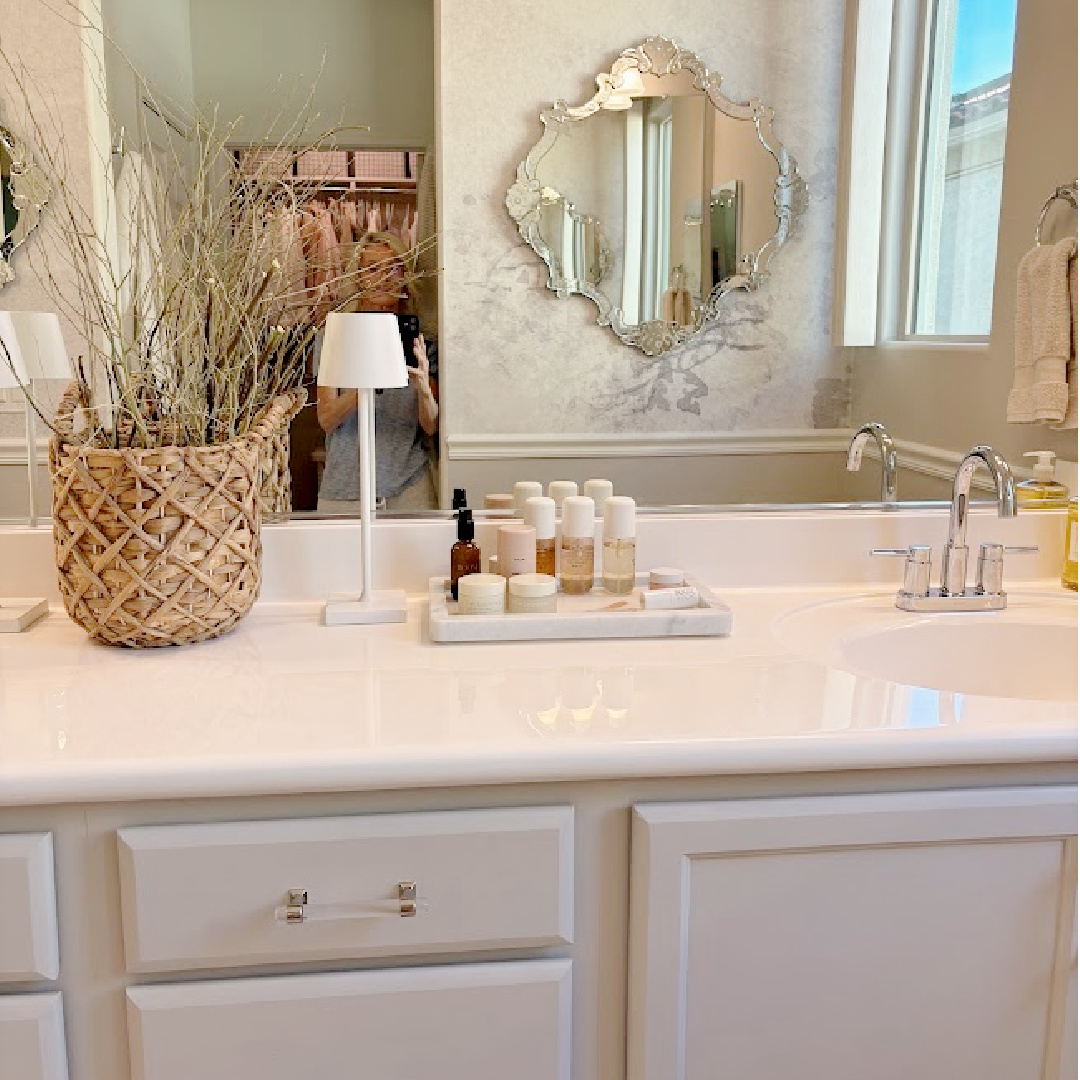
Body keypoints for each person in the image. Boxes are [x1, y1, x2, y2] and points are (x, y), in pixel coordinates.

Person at [316, 231, 439, 513]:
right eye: (372, 268)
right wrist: (369, 382)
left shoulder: (422, 341)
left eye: (393, 268)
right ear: (359, 277)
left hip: (408, 485)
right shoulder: (335, 335)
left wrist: (422, 386)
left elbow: (430, 426)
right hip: (345, 486)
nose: (383, 277)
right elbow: (326, 419)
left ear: (405, 276)